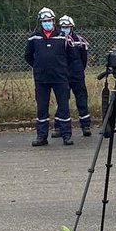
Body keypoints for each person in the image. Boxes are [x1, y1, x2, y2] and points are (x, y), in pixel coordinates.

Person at [25, 8, 72, 146]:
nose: (47, 23)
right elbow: (28, 56)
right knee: (42, 108)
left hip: (60, 78)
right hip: (41, 79)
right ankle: (41, 136)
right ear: (41, 22)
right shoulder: (34, 37)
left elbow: (71, 56)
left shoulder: (63, 37)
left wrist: (63, 69)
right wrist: (38, 66)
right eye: (44, 21)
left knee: (63, 107)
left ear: (54, 21)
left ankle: (66, 135)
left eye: (49, 21)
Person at [56, 15, 92, 137]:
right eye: (62, 27)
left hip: (77, 75)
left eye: (67, 27)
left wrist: (79, 71)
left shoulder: (80, 41)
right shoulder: (57, 40)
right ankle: (58, 127)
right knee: (62, 102)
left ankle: (85, 125)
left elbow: (84, 59)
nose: (65, 29)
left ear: (72, 27)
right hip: (62, 76)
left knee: (82, 99)